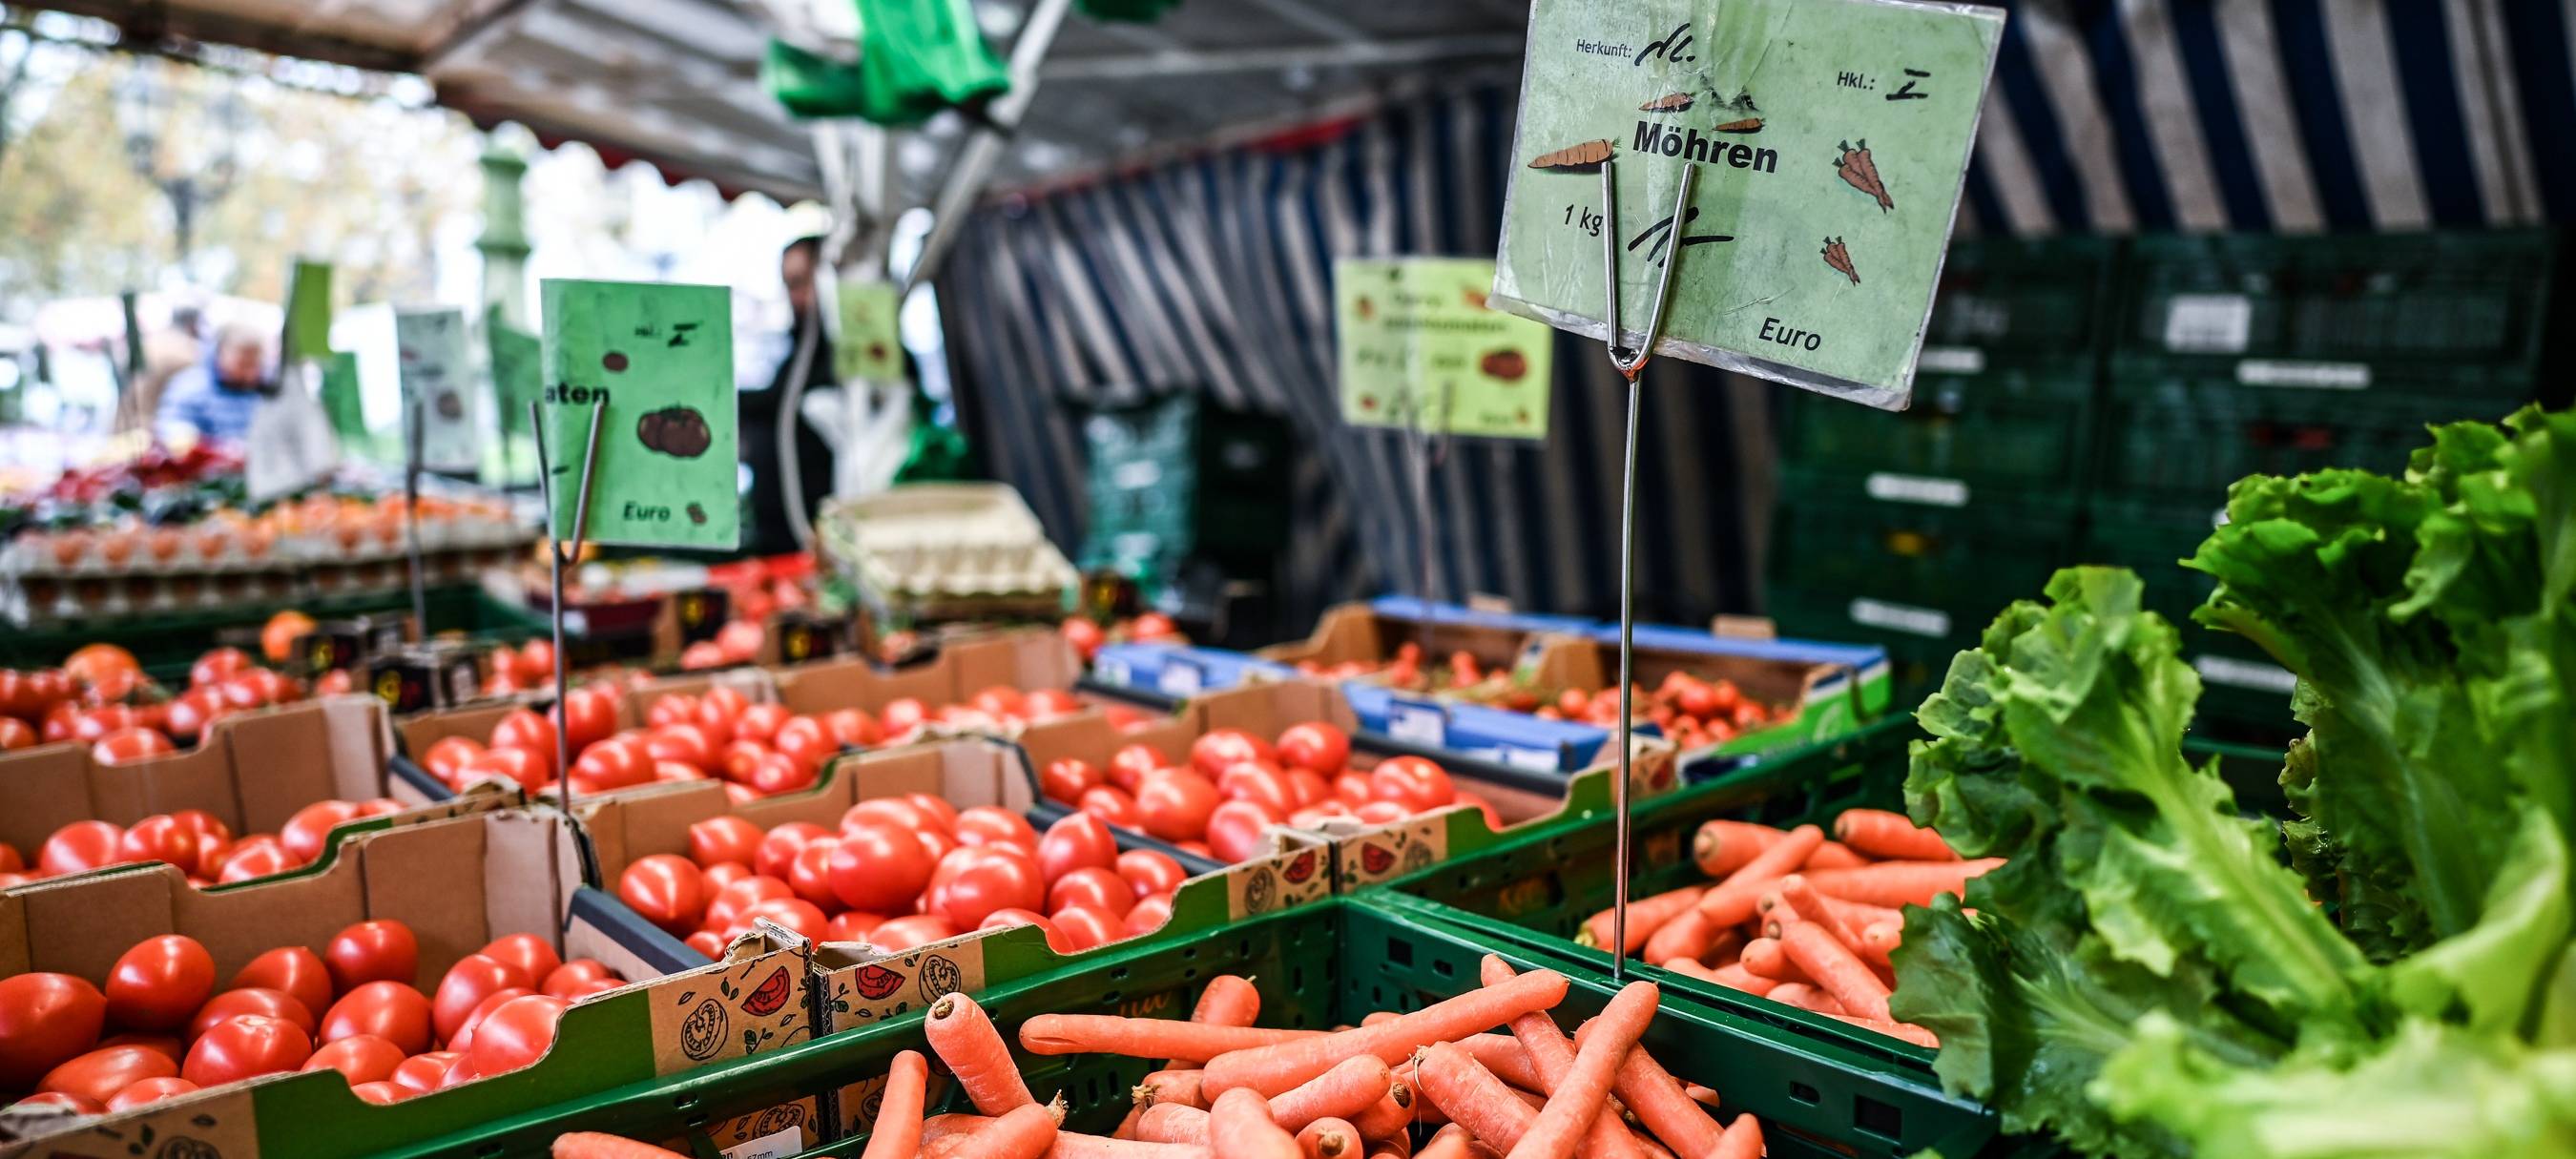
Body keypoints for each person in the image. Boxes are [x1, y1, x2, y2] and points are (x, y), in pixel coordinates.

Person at [737, 236, 839, 556]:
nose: (795, 297)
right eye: (789, 285)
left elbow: (780, 402)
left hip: (820, 537)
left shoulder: (845, 359)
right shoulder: (796, 355)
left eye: (800, 282)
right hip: (783, 540)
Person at [156, 321, 271, 443]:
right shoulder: (191, 387)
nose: (250, 373)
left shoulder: (264, 393)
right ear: (221, 353)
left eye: (255, 365)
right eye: (243, 364)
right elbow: (170, 425)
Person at [115, 303, 204, 433]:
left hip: (128, 424)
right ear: (193, 324)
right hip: (153, 430)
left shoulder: (149, 341)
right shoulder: (189, 350)